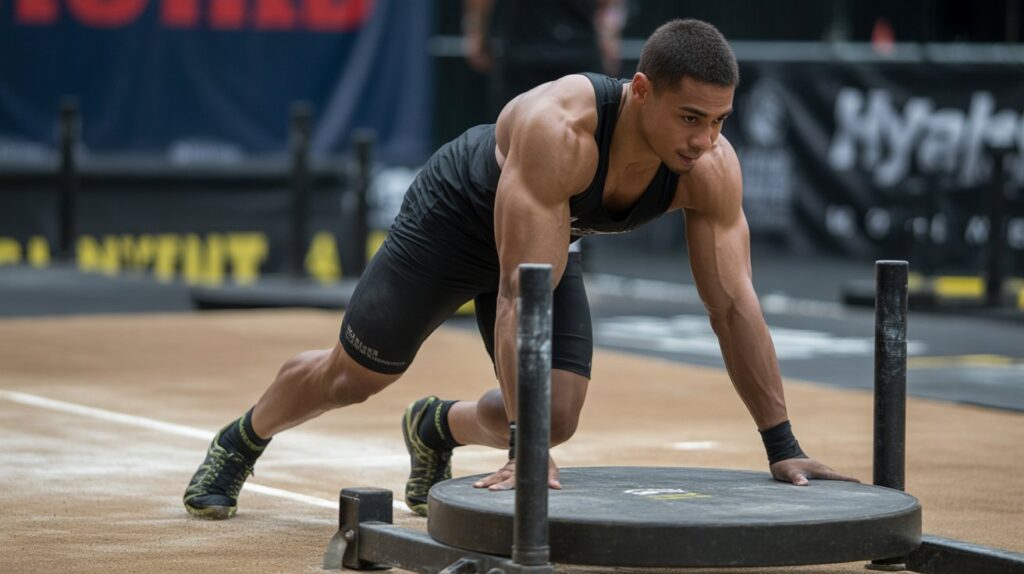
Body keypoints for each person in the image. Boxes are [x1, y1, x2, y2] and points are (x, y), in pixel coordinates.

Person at [183, 19, 857, 521]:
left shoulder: (709, 168)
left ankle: (434, 427)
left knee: (555, 417)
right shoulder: (558, 130)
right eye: (689, 118)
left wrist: (782, 445)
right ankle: (242, 438)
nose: (705, 141)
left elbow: (734, 307)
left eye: (718, 121)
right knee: (354, 376)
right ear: (642, 91)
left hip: (547, 235)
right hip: (455, 221)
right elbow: (516, 296)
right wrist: (521, 450)